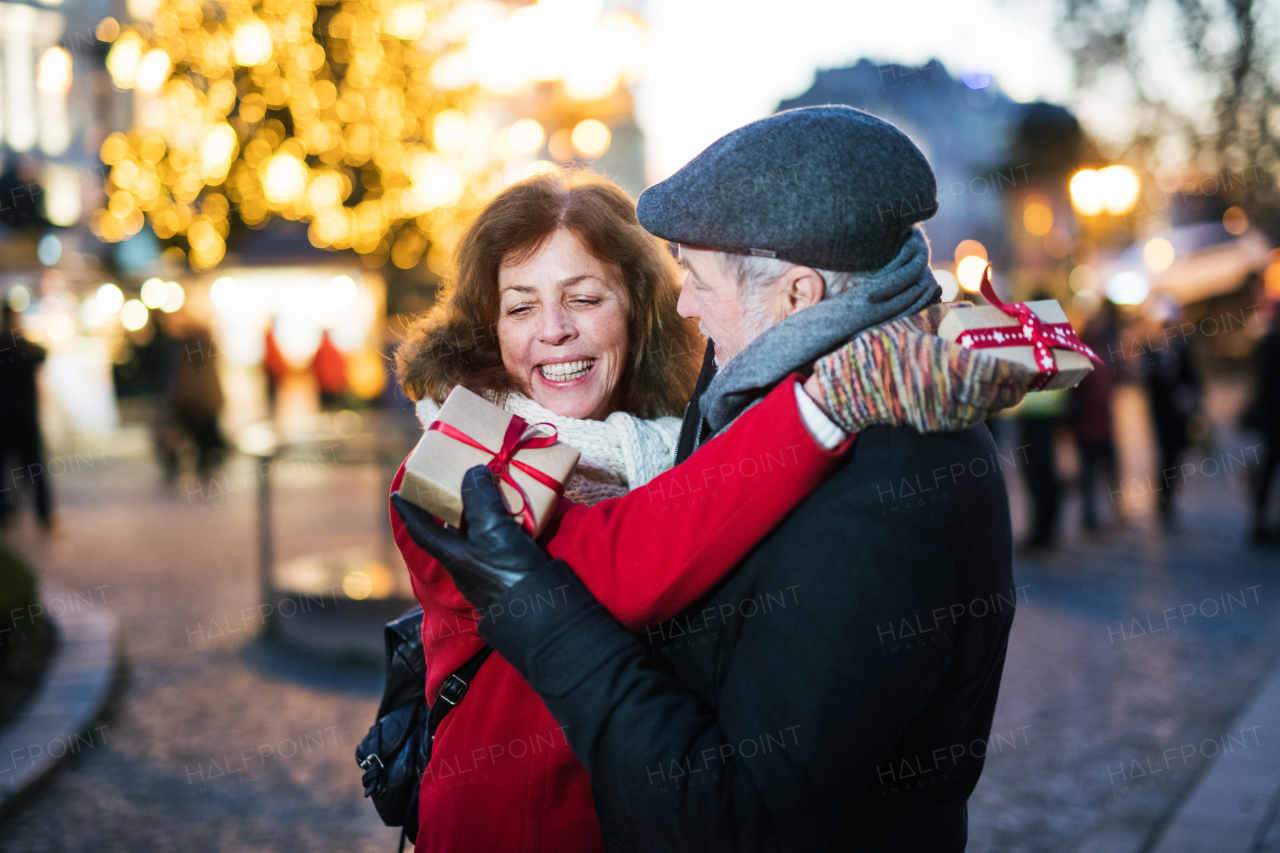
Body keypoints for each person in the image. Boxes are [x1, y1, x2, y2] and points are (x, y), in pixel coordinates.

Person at [395, 107, 1022, 852]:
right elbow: (618, 558)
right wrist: (821, 405)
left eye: (586, 297)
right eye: (519, 305)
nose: (551, 328)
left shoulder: (705, 433)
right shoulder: (458, 454)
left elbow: (745, 805)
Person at [1141, 297, 1202, 526]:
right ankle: (1163, 503)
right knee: (1165, 455)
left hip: (1179, 412)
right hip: (1160, 411)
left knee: (1175, 456)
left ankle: (1169, 502)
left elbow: (1193, 377)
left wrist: (1192, 401)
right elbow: (1148, 382)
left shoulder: (1183, 347)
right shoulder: (1150, 348)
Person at [0, 303, 54, 533]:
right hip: (24, 417)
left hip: (5, 418)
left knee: (4, 467)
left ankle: (4, 513)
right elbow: (42, 354)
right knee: (35, 468)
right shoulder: (25, 347)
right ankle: (44, 514)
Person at [157, 310, 227, 480]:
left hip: (192, 401)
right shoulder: (205, 345)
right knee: (202, 439)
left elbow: (186, 378)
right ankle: (203, 467)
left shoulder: (188, 347)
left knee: (190, 436)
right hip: (204, 400)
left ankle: (191, 466)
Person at [1069, 301, 1119, 532]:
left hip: (1100, 424)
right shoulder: (1085, 357)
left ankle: (1111, 515)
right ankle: (1091, 519)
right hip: (1089, 426)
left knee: (1104, 473)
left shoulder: (1099, 354)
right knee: (1091, 475)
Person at [1244, 301, 1280, 543]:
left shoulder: (1268, 344)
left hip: (1270, 419)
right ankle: (1260, 524)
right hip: (1273, 418)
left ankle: (1260, 523)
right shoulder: (1269, 344)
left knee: (1267, 469)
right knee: (1268, 469)